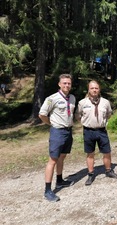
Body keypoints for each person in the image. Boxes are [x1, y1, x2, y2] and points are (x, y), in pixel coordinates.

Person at [39, 74, 76, 202]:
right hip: (57, 132)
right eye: (64, 83)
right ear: (59, 84)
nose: (67, 85)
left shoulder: (72, 98)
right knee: (53, 160)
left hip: (68, 131)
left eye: (69, 83)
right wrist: (51, 123)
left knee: (62, 157)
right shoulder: (52, 98)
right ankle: (48, 190)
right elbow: (42, 114)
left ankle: (60, 181)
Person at [75, 80, 117, 186]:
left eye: (96, 88)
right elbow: (78, 115)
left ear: (99, 90)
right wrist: (85, 122)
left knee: (107, 152)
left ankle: (109, 171)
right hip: (88, 131)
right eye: (92, 88)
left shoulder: (105, 102)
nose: (94, 90)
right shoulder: (82, 103)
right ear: (88, 89)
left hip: (101, 131)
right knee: (90, 153)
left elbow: (109, 114)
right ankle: (90, 174)